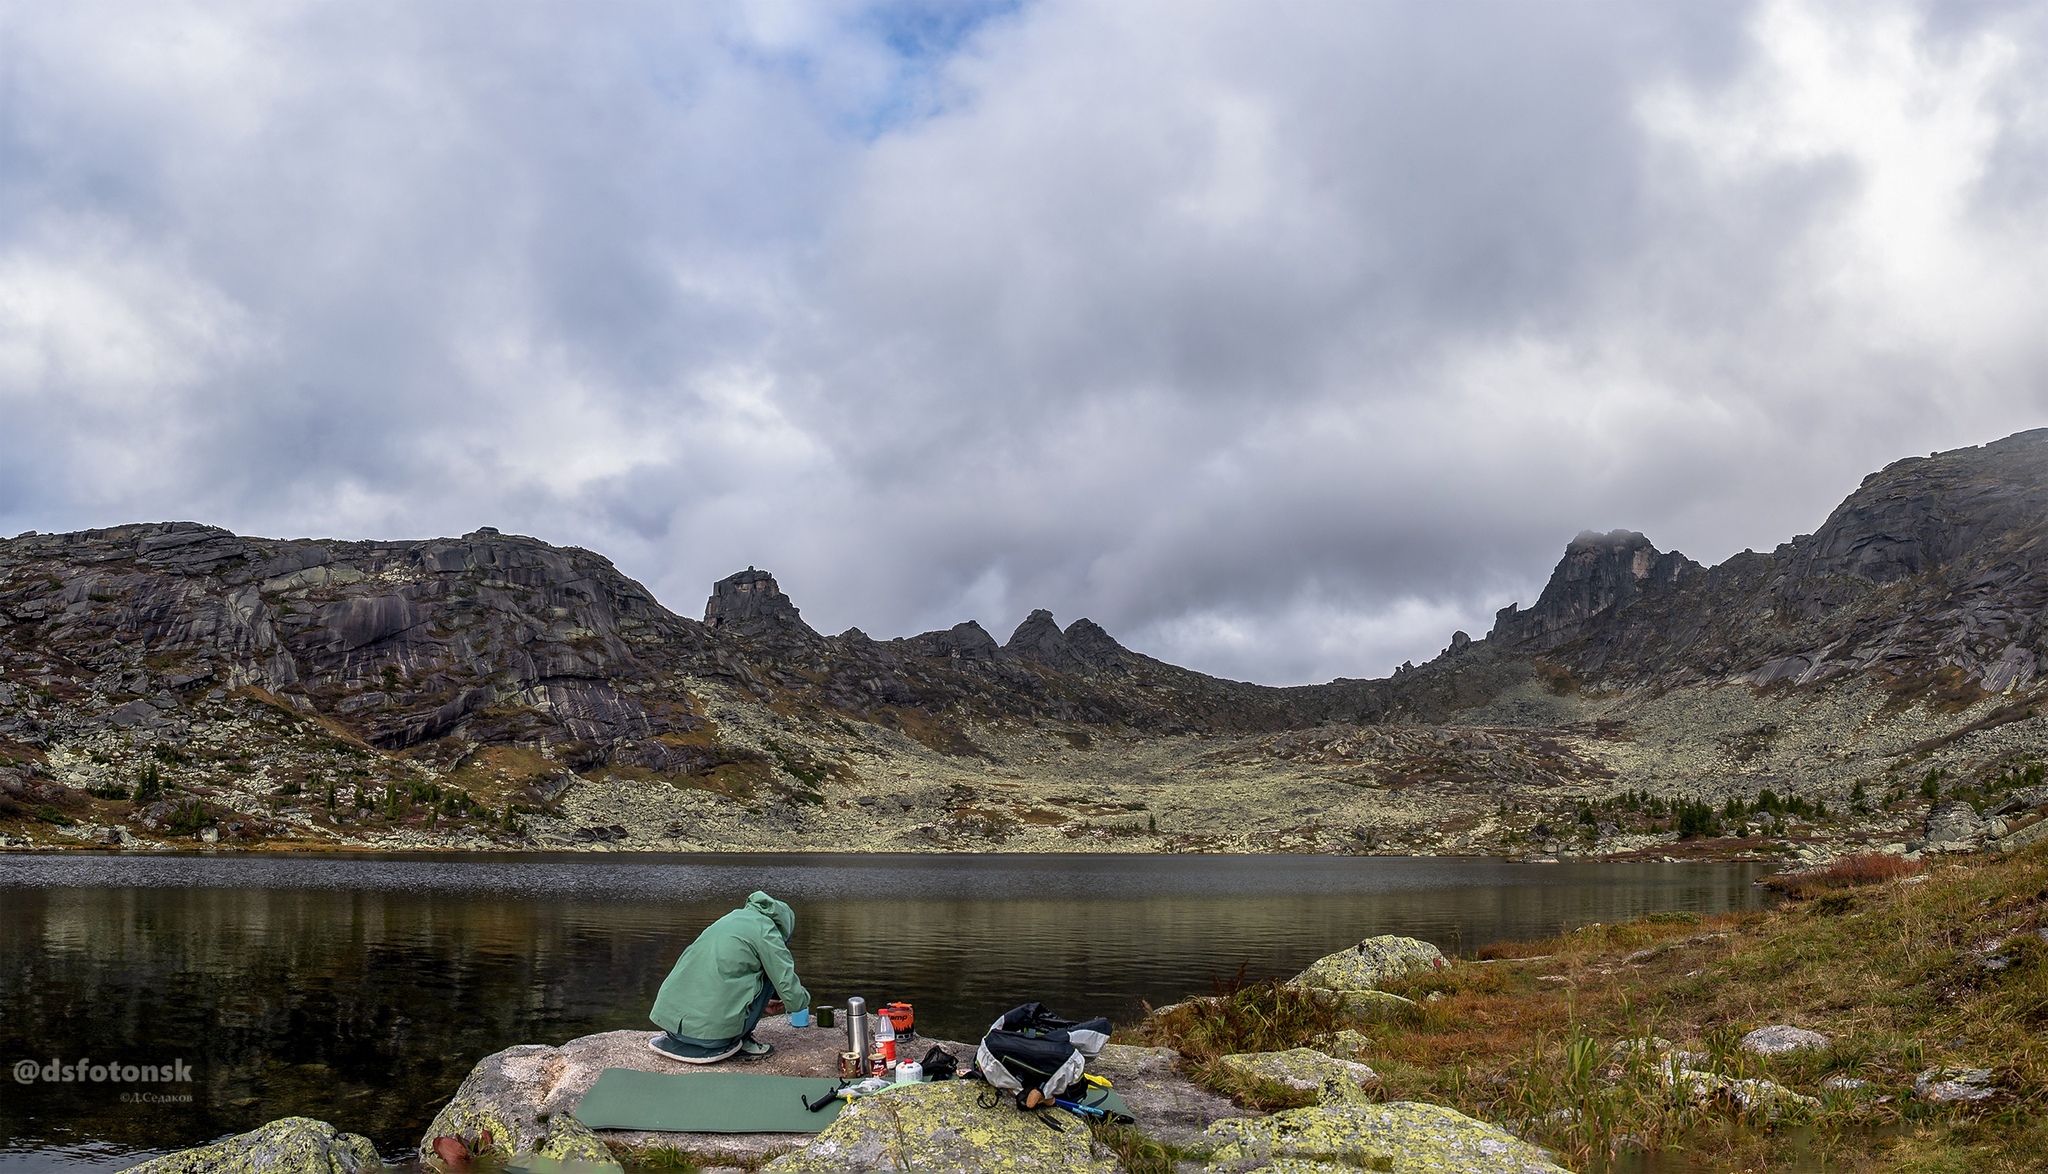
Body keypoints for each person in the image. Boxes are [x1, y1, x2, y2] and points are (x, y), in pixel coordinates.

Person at [647, 890, 812, 1064]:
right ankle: (740, 1042)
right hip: (713, 1039)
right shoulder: (768, 931)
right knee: (771, 971)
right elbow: (792, 997)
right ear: (785, 926)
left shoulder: (729, 919)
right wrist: (803, 998)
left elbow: (722, 977)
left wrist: (761, 1005)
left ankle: (692, 1033)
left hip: (673, 1029)